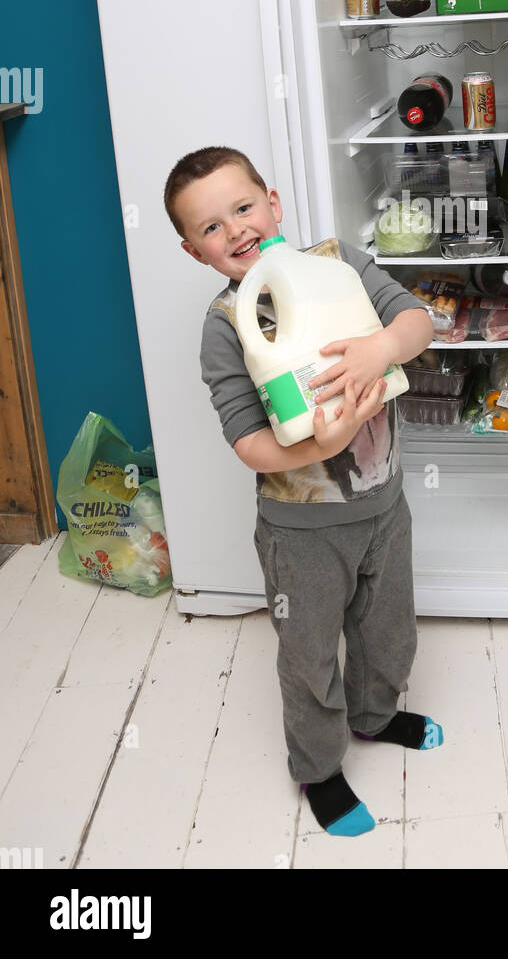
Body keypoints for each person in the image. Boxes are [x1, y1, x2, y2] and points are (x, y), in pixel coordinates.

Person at [163, 145, 439, 837]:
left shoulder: (337, 264)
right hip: (301, 530)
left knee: (388, 631)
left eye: (244, 207)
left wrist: (380, 349)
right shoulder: (226, 325)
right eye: (212, 228)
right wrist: (321, 445)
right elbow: (246, 440)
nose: (236, 231)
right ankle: (318, 766)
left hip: (385, 505)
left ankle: (375, 715)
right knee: (308, 654)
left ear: (274, 203)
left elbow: (416, 321)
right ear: (195, 251)